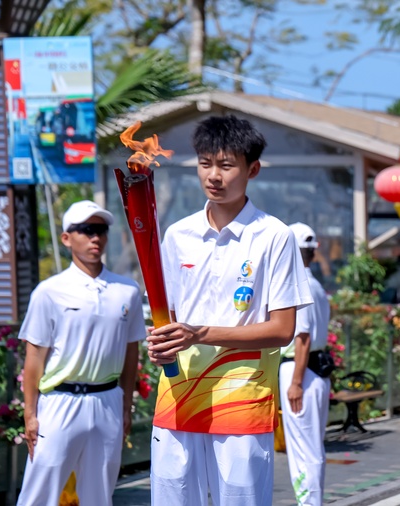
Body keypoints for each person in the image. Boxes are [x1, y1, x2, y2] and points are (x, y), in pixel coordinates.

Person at [146, 115, 313, 506]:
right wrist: (162, 344)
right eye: (205, 163)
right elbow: (166, 317)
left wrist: (199, 334)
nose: (214, 176)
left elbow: (282, 329)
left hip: (242, 399)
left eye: (226, 165)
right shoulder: (177, 235)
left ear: (252, 169)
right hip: (177, 395)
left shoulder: (274, 236)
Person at [18, 200, 145, 506]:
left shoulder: (127, 290)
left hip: (107, 403)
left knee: (99, 495)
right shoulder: (48, 292)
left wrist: (125, 405)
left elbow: (131, 356)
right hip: (59, 403)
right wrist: (30, 414)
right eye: (86, 230)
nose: (95, 238)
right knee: (39, 493)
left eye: (100, 230)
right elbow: (34, 359)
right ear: (66, 238)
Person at [279, 222, 331, 506]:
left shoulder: (297, 286)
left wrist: (296, 382)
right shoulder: (317, 284)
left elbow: (302, 338)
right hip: (316, 371)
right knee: (312, 446)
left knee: (303, 448)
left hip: (300, 370)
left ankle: (309, 503)